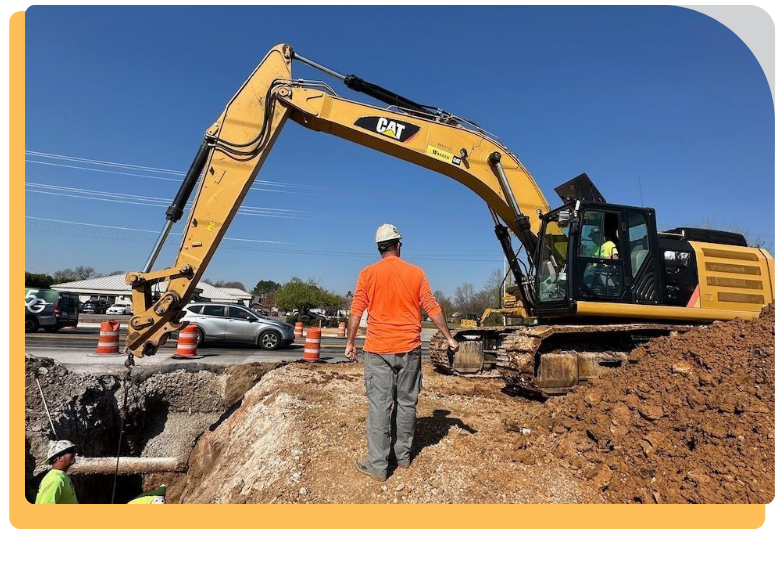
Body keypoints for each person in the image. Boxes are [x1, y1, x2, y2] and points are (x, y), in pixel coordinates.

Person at [345, 223, 459, 482]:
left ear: (378, 248)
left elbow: (356, 310)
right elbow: (431, 306)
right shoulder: (416, 273)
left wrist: (350, 342)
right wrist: (449, 338)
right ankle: (403, 457)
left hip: (377, 350)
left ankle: (377, 466)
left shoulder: (367, 273)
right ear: (399, 245)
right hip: (410, 349)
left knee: (379, 407)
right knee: (407, 404)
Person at [35, 440, 78, 504]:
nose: (74, 454)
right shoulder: (55, 480)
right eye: (70, 451)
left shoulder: (62, 476)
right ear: (59, 458)